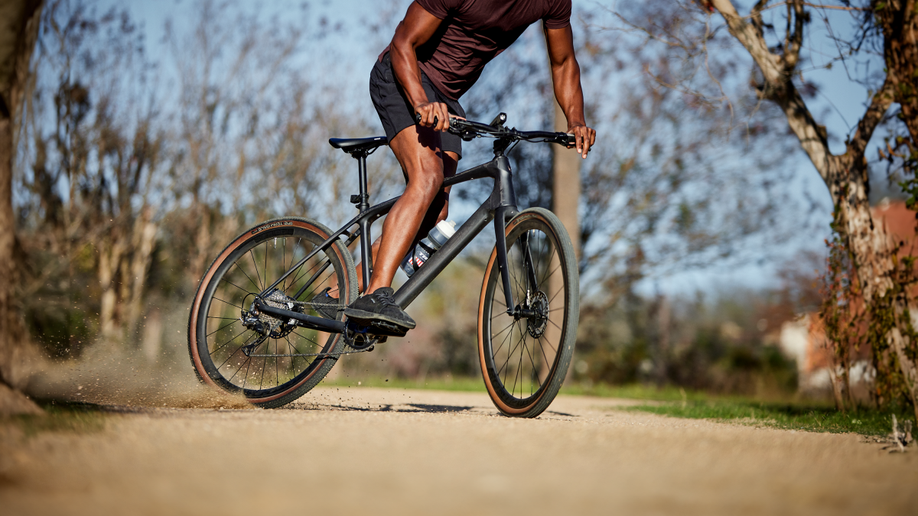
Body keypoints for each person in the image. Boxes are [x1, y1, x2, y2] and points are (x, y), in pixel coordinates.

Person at [334, 0, 596, 331]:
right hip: (402, 76)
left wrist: (575, 119)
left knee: (435, 213)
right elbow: (403, 42)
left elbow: (563, 62)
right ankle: (375, 295)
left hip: (446, 100)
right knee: (427, 178)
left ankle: (338, 294)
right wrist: (420, 101)